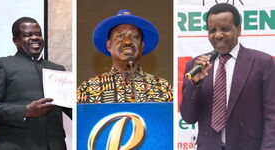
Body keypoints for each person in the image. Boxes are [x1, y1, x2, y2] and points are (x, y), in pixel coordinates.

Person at [180, 3, 275, 150]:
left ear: (238, 30)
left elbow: (272, 116)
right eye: (212, 30)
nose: (218, 35)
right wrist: (195, 85)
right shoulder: (195, 66)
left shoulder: (262, 63)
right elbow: (189, 117)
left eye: (225, 29)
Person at [0, 17, 71, 150]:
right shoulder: (3, 65)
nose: (35, 38)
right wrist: (25, 111)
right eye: (27, 35)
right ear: (15, 40)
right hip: (17, 145)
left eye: (38, 34)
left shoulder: (58, 69)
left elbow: (70, 108)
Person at [77, 9, 173, 103]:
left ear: (142, 46)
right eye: (120, 36)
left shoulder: (163, 88)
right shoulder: (88, 89)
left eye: (134, 36)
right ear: (109, 45)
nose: (127, 41)